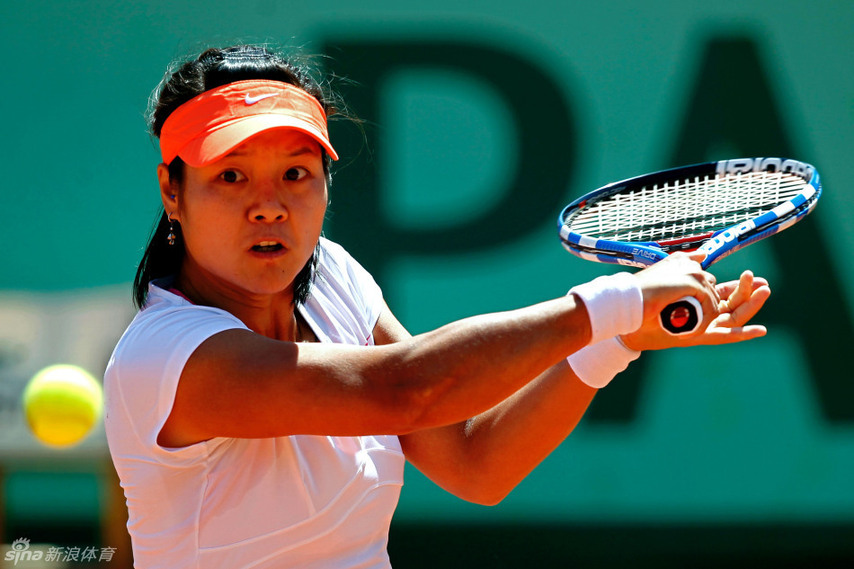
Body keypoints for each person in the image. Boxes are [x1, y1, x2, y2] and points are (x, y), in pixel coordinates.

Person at [104, 44, 771, 569]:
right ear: (172, 190)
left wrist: (614, 342)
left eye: (296, 173)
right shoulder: (169, 357)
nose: (270, 203)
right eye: (230, 175)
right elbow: (407, 389)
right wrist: (607, 304)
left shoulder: (335, 276)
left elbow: (475, 462)